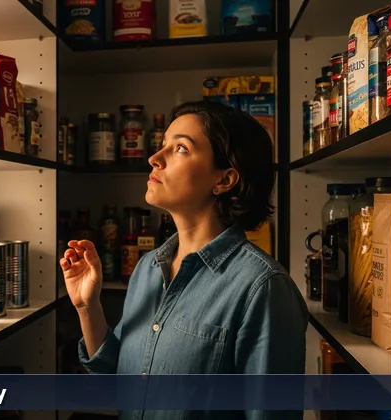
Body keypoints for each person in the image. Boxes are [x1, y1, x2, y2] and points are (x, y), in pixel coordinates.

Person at [60, 100, 309, 419]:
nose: (154, 158)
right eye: (162, 144)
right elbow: (113, 380)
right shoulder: (148, 268)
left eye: (180, 148)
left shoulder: (263, 288)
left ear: (224, 180)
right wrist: (87, 306)